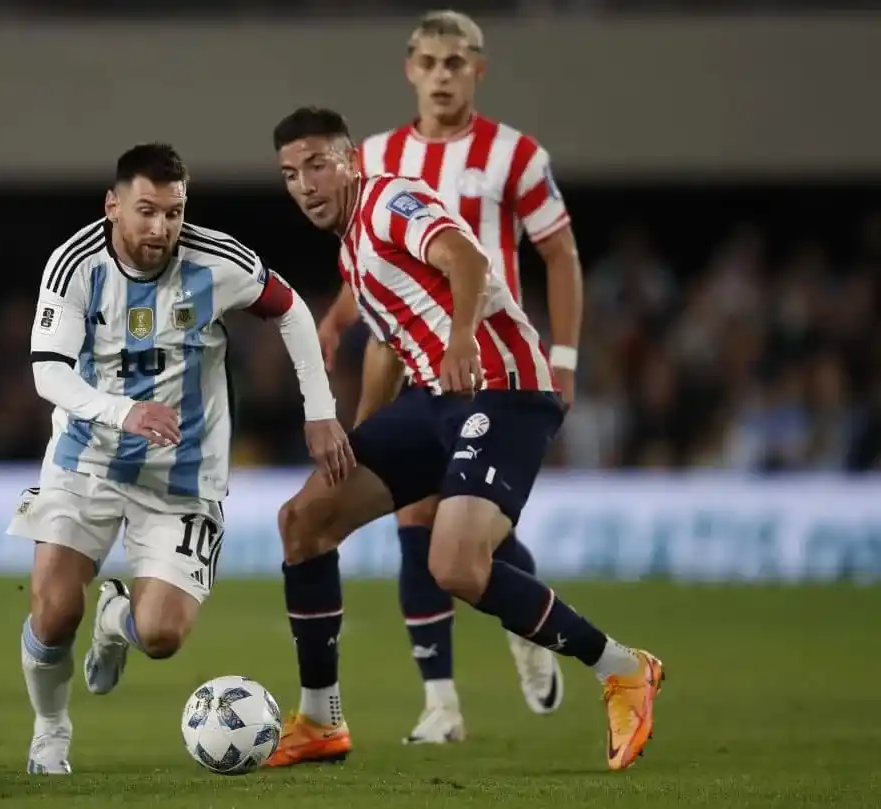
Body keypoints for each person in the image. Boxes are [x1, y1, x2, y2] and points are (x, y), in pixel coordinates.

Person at [263, 106, 661, 772]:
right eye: (289, 174)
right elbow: (388, 347)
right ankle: (319, 718)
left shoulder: (391, 198)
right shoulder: (353, 248)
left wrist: (459, 339)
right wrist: (368, 437)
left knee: (454, 563)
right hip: (430, 401)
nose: (304, 184)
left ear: (351, 159)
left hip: (502, 388)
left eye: (316, 164)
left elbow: (465, 257)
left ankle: (621, 667)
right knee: (304, 519)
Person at [7, 143, 352, 775]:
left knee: (162, 636)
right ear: (113, 205)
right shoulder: (74, 266)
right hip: (89, 460)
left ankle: (117, 621)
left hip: (185, 479)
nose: (161, 227)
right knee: (54, 611)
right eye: (146, 211)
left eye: (173, 212)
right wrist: (124, 412)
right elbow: (49, 374)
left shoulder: (215, 260)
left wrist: (320, 409)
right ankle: (50, 733)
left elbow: (293, 310)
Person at [311, 9, 585, 745]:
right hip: (402, 351)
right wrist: (339, 317)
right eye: (428, 62)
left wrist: (563, 359)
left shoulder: (515, 156)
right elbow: (370, 253)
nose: (440, 75)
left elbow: (559, 254)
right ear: (409, 68)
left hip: (486, 360)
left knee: (457, 529)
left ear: (478, 71)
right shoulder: (370, 155)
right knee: (411, 511)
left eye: (455, 63)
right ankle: (441, 705)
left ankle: (527, 627)